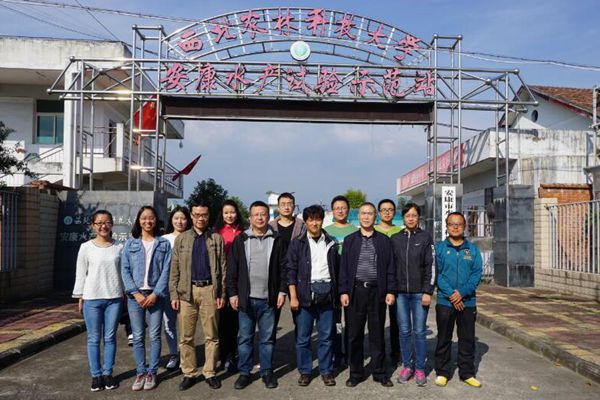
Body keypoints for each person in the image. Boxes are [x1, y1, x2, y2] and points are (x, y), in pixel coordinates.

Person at [227, 201, 287, 390]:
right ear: (250, 217)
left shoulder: (277, 239)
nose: (260, 218)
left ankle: (267, 372)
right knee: (245, 338)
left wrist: (282, 291)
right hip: (246, 298)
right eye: (256, 215)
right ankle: (244, 373)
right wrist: (232, 293)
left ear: (268, 216)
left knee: (267, 339)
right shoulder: (241, 239)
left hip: (268, 299)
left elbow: (284, 268)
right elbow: (232, 269)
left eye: (263, 214)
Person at [169, 201, 226, 391]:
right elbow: (174, 269)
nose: (200, 218)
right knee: (186, 336)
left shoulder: (216, 238)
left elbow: (223, 268)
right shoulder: (182, 239)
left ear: (208, 216)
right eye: (196, 215)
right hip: (187, 291)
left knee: (212, 335)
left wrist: (221, 293)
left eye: (204, 215)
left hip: (210, 290)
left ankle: (209, 372)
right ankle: (189, 372)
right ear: (191, 216)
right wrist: (174, 294)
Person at [339, 202, 397, 388]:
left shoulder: (384, 240)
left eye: (370, 214)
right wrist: (343, 291)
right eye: (363, 213)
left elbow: (390, 267)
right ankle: (355, 373)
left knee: (377, 333)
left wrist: (390, 290)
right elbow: (343, 268)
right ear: (358, 216)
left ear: (375, 216)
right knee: (354, 334)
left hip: (376, 292)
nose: (366, 217)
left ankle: (380, 372)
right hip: (355, 292)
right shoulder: (350, 240)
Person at [121, 206, 171, 391]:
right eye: (144, 218)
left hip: (155, 295)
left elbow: (166, 270)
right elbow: (125, 269)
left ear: (156, 220)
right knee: (138, 336)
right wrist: (135, 293)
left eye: (151, 218)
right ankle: (140, 372)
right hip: (135, 297)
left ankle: (152, 372)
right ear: (138, 220)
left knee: (155, 335)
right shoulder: (130, 244)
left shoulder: (163, 244)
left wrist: (155, 294)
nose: (147, 221)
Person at [287, 205, 338, 387]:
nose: (315, 223)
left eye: (318, 219)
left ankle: (326, 371)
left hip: (327, 294)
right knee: (303, 337)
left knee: (326, 336)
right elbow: (290, 271)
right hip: (304, 295)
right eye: (311, 220)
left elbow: (337, 269)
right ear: (306, 222)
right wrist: (293, 297)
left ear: (322, 221)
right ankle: (305, 371)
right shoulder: (297, 243)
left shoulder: (331, 242)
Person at [72, 210, 123, 392]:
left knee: (110, 338)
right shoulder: (86, 247)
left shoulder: (120, 246)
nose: (103, 226)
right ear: (93, 226)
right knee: (93, 339)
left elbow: (124, 272)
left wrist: (126, 294)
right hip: (91, 298)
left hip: (114, 298)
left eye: (107, 222)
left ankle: (108, 374)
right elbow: (80, 273)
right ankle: (96, 376)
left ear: (112, 224)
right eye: (99, 223)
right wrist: (80, 296)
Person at [434, 211, 483, 388]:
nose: (455, 227)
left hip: (467, 302)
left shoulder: (473, 250)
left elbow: (476, 274)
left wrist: (461, 293)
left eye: (459, 224)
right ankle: (442, 372)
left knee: (467, 339)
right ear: (446, 226)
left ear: (464, 227)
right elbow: (437, 274)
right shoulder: (439, 248)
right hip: (445, 301)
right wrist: (452, 294)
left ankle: (467, 373)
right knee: (444, 338)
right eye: (451, 224)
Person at [391, 203, 435, 386]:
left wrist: (428, 291)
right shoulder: (395, 239)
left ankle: (420, 368)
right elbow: (391, 267)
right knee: (404, 331)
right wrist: (392, 290)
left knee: (419, 331)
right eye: (408, 215)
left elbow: (431, 266)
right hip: (400, 294)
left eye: (414, 215)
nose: (411, 218)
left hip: (419, 294)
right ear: (403, 217)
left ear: (418, 218)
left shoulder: (425, 237)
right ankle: (407, 366)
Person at [324, 195, 358, 368]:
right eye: (337, 208)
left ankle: (351, 355)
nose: (340, 211)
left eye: (343, 208)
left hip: (352, 282)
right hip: (333, 281)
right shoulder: (326, 231)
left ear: (348, 210)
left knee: (351, 321)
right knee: (336, 322)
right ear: (332, 210)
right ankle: (337, 354)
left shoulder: (355, 230)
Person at [214, 199, 246, 371]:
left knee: (234, 321)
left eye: (232, 212)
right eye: (226, 212)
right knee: (221, 321)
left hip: (239, 280)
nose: (229, 215)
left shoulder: (243, 232)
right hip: (221, 281)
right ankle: (222, 354)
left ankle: (232, 355)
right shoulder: (216, 232)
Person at [161, 205, 192, 371]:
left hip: (187, 287)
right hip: (167, 287)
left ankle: (186, 355)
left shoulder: (193, 237)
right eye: (176, 218)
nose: (180, 221)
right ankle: (174, 354)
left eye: (183, 218)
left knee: (186, 324)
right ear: (171, 220)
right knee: (169, 323)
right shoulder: (164, 239)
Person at [374, 199, 402, 364]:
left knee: (396, 320)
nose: (387, 212)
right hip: (376, 282)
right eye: (383, 210)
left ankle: (395, 353)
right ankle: (379, 354)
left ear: (394, 212)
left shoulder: (400, 231)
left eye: (390, 209)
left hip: (395, 281)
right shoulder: (372, 230)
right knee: (377, 320)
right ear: (379, 213)